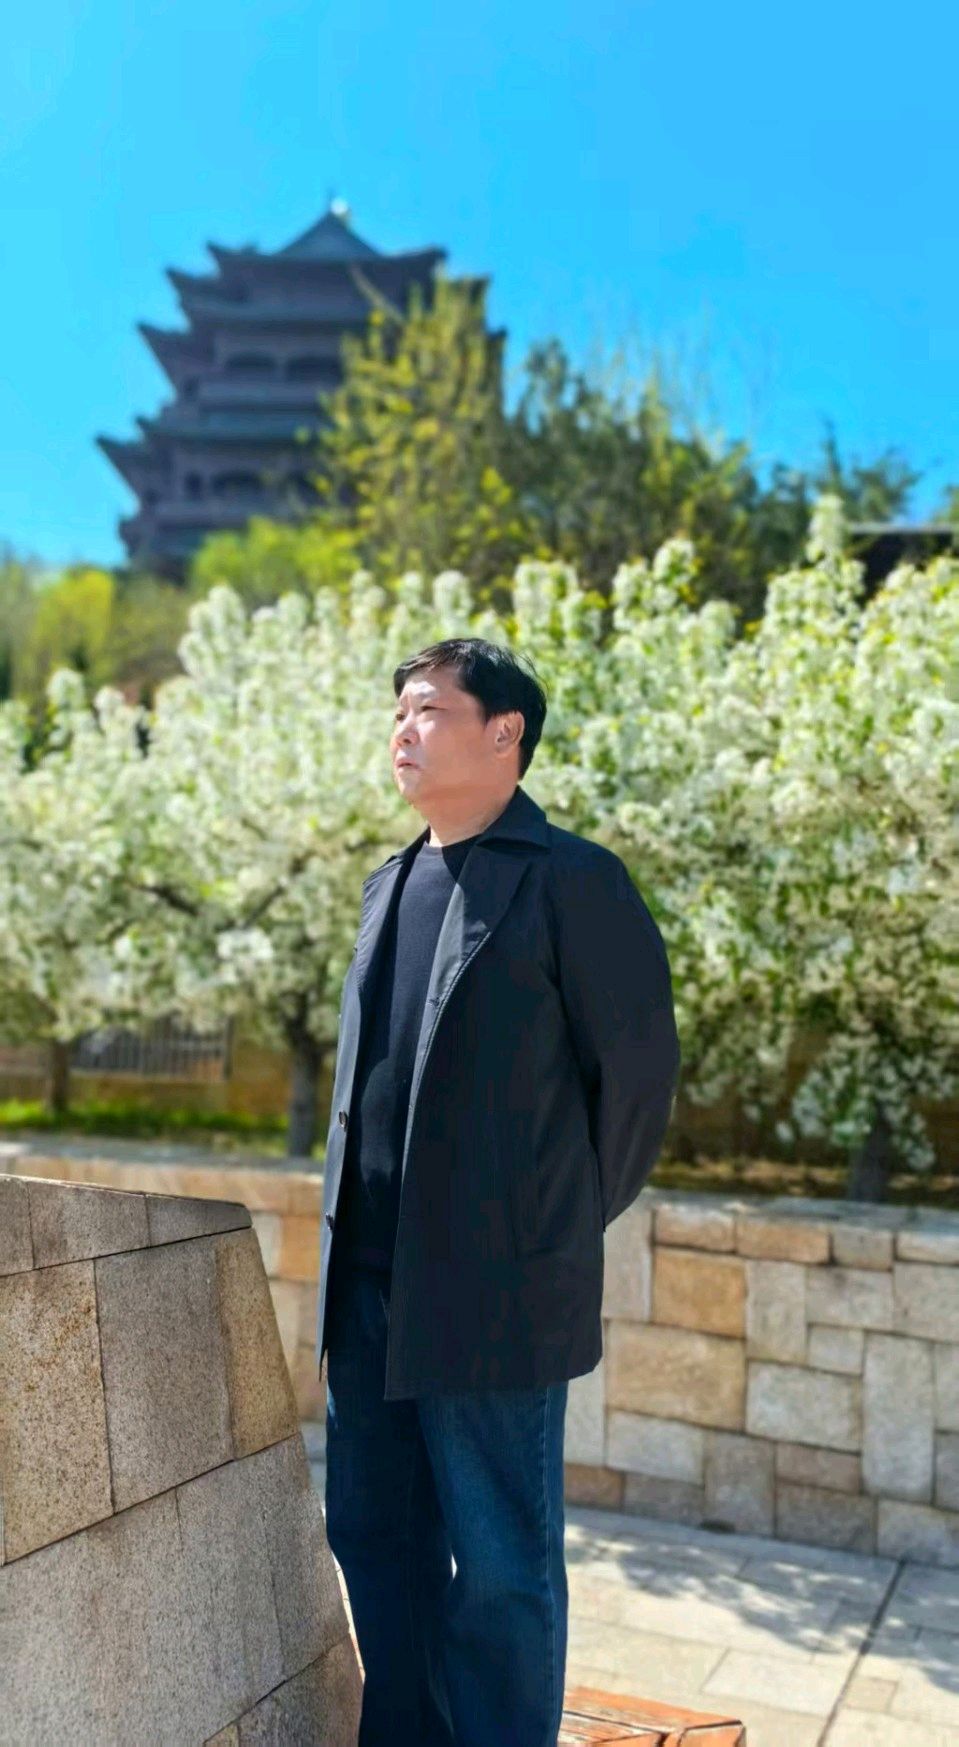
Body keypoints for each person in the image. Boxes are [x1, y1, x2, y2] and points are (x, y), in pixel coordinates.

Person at [315, 637, 681, 1747]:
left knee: (502, 1568)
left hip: (492, 1295)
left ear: (504, 732)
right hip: (367, 1292)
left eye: (428, 710)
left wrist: (538, 1231)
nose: (403, 730)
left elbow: (634, 1085)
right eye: (397, 712)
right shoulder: (388, 884)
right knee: (374, 1538)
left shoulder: (573, 880)